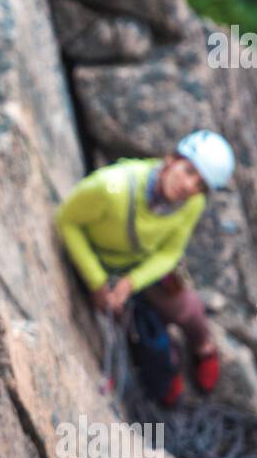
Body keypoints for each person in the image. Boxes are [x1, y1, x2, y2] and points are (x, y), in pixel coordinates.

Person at [54, 130, 235, 405]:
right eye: (188, 171)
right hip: (102, 264)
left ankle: (203, 348)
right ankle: (164, 372)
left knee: (190, 308)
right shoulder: (111, 188)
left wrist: (131, 283)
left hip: (138, 268)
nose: (188, 186)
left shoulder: (192, 203)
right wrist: (97, 281)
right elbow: (66, 220)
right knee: (135, 329)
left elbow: (171, 251)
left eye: (199, 184)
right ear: (171, 159)